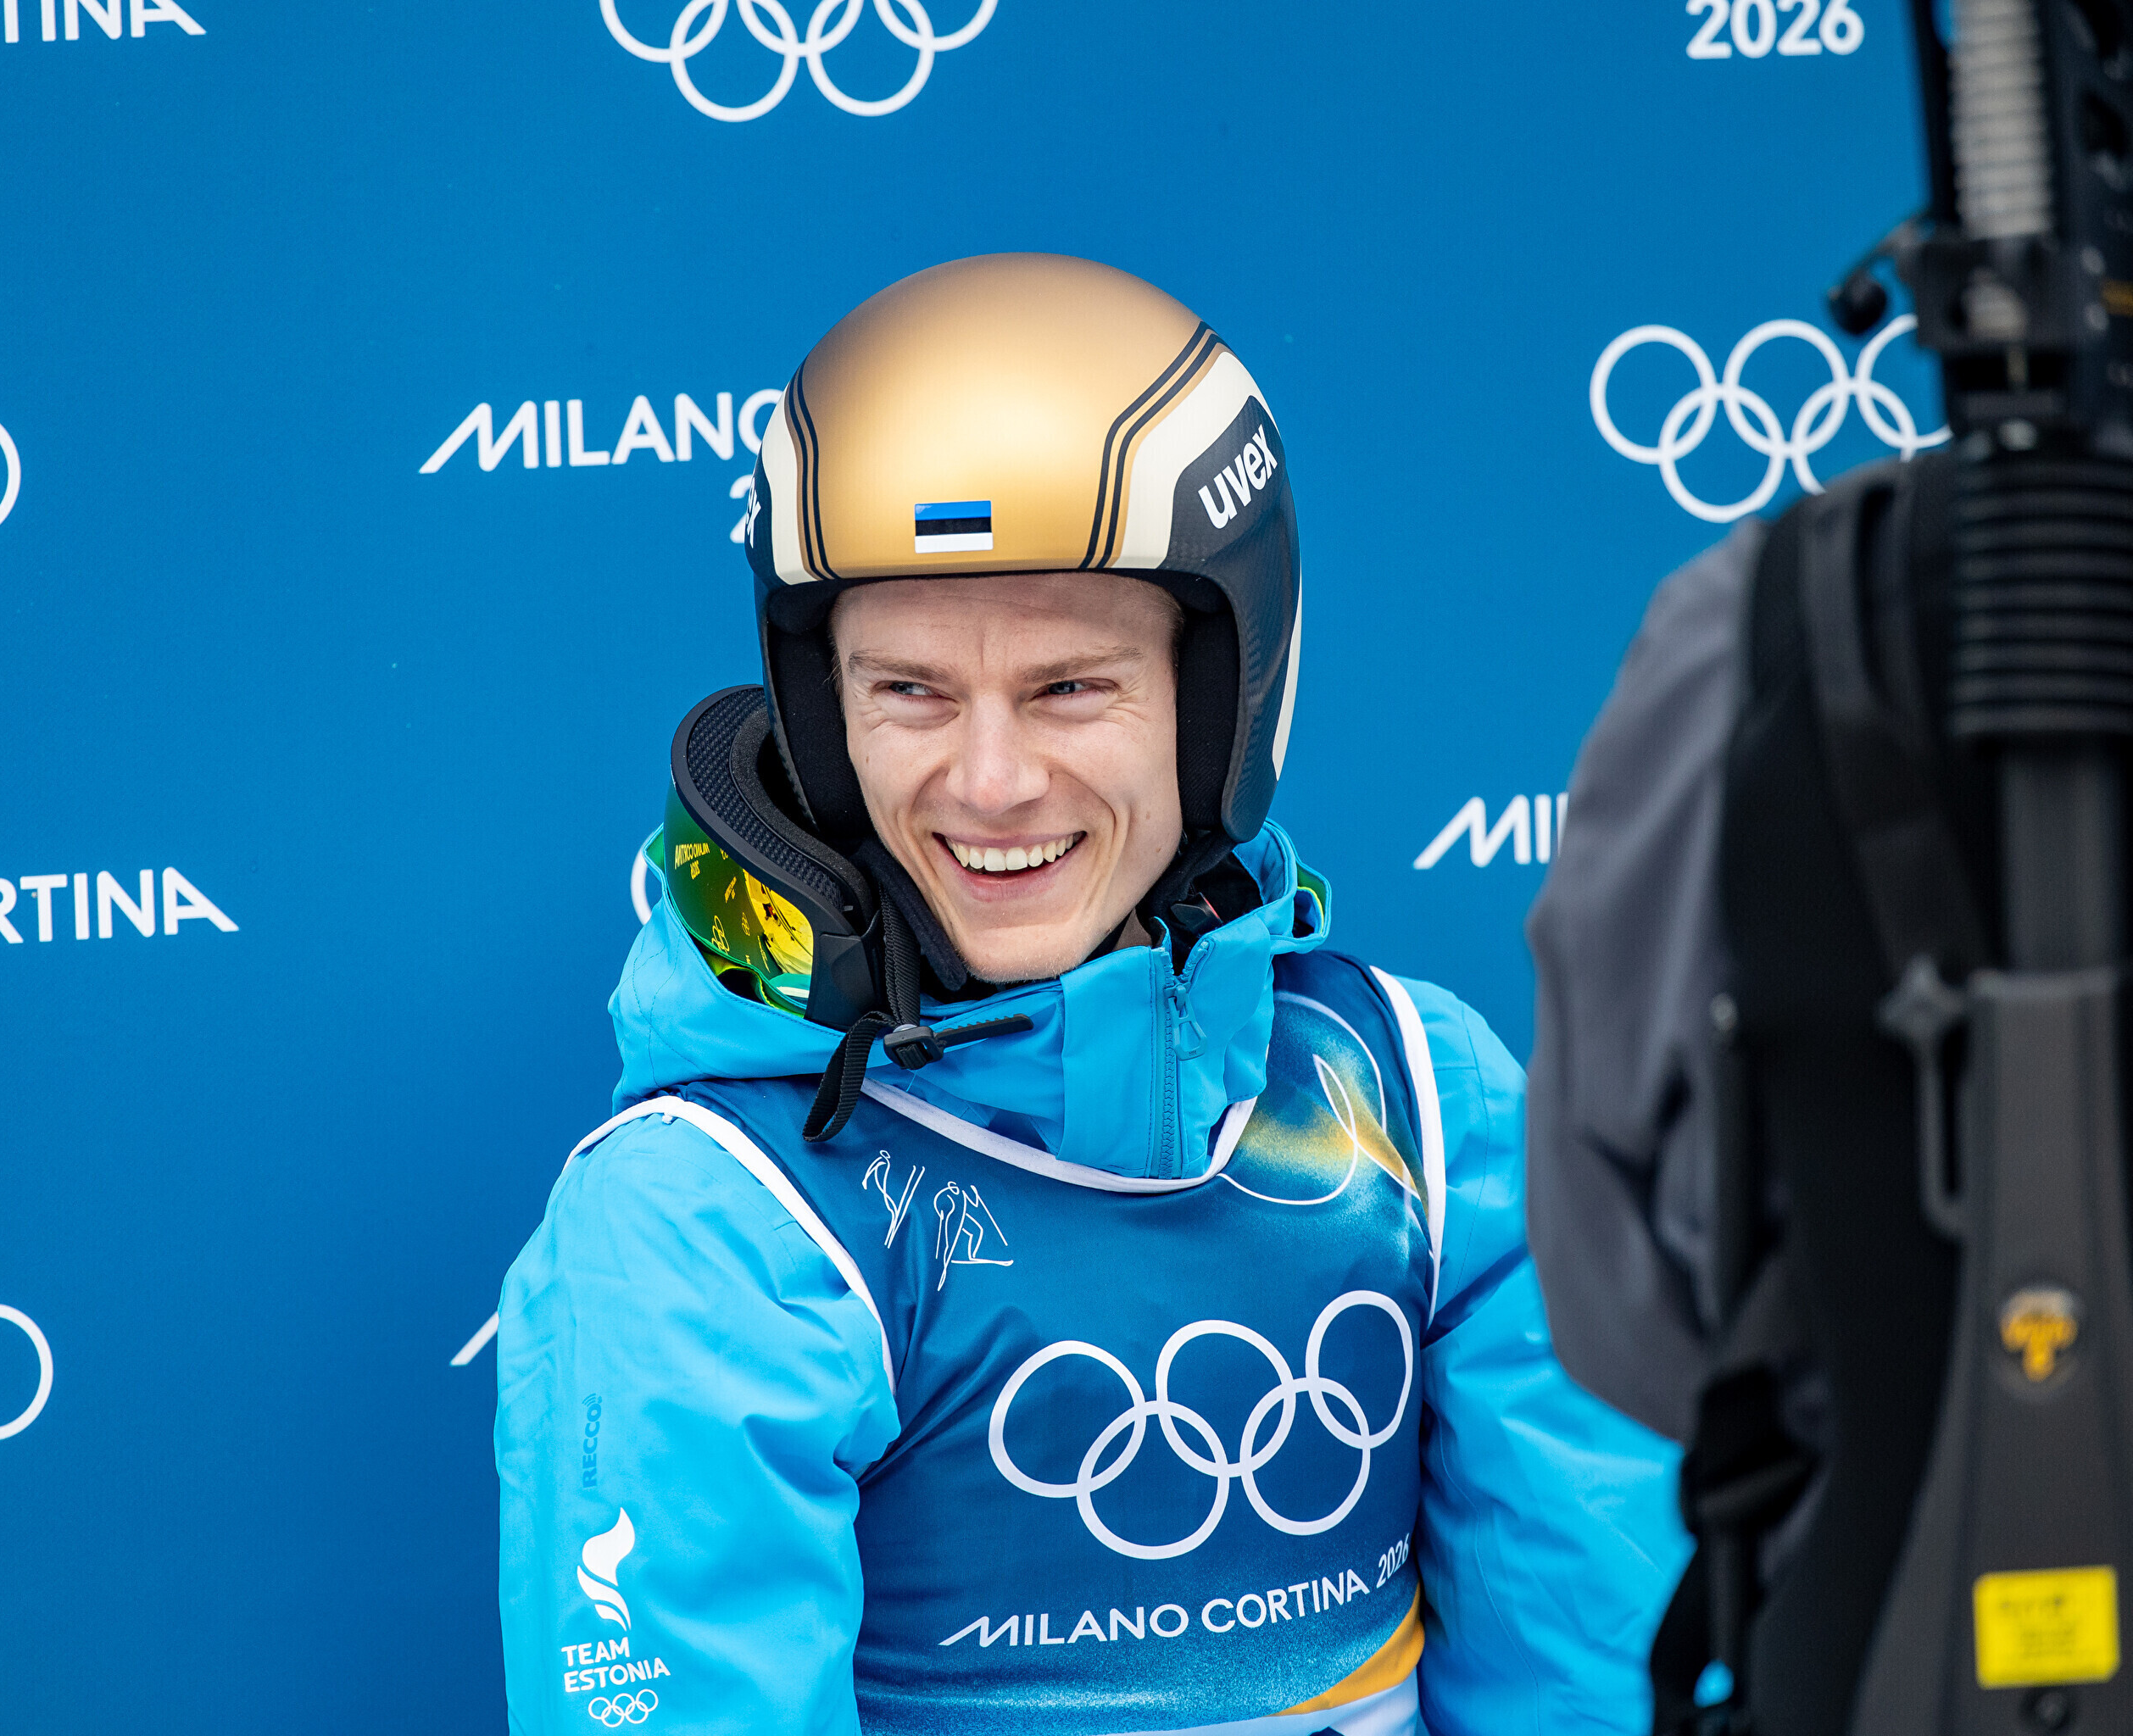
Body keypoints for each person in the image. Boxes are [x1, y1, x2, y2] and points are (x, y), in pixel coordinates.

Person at [496, 253, 1681, 1736]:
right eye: (909, 691)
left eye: (1069, 688)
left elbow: (1596, 1674)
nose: (991, 783)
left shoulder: (1422, 1104)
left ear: (1219, 702)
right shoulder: (711, 1222)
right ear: (820, 716)